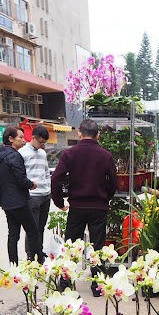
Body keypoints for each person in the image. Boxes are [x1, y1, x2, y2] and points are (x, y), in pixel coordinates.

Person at [51, 119, 118, 297]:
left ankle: (65, 283)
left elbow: (56, 178)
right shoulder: (105, 155)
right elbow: (114, 182)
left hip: (77, 206)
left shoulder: (70, 154)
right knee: (97, 246)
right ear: (98, 135)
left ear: (80, 134)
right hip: (98, 206)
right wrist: (106, 198)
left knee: (71, 245)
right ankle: (97, 285)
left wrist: (59, 201)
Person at [0, 126, 44, 265]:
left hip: (7, 202)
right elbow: (20, 178)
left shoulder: (0, 156)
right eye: (20, 137)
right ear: (11, 139)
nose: (23, 140)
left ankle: (14, 264)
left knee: (13, 234)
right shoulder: (15, 156)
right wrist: (31, 184)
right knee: (33, 231)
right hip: (19, 201)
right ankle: (38, 262)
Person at [20, 124, 51, 257]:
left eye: (44, 143)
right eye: (41, 142)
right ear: (33, 137)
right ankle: (31, 254)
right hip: (32, 195)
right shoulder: (22, 153)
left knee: (41, 226)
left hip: (45, 194)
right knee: (32, 228)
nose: (42, 145)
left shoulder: (43, 153)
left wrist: (48, 187)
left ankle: (39, 250)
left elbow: (46, 172)